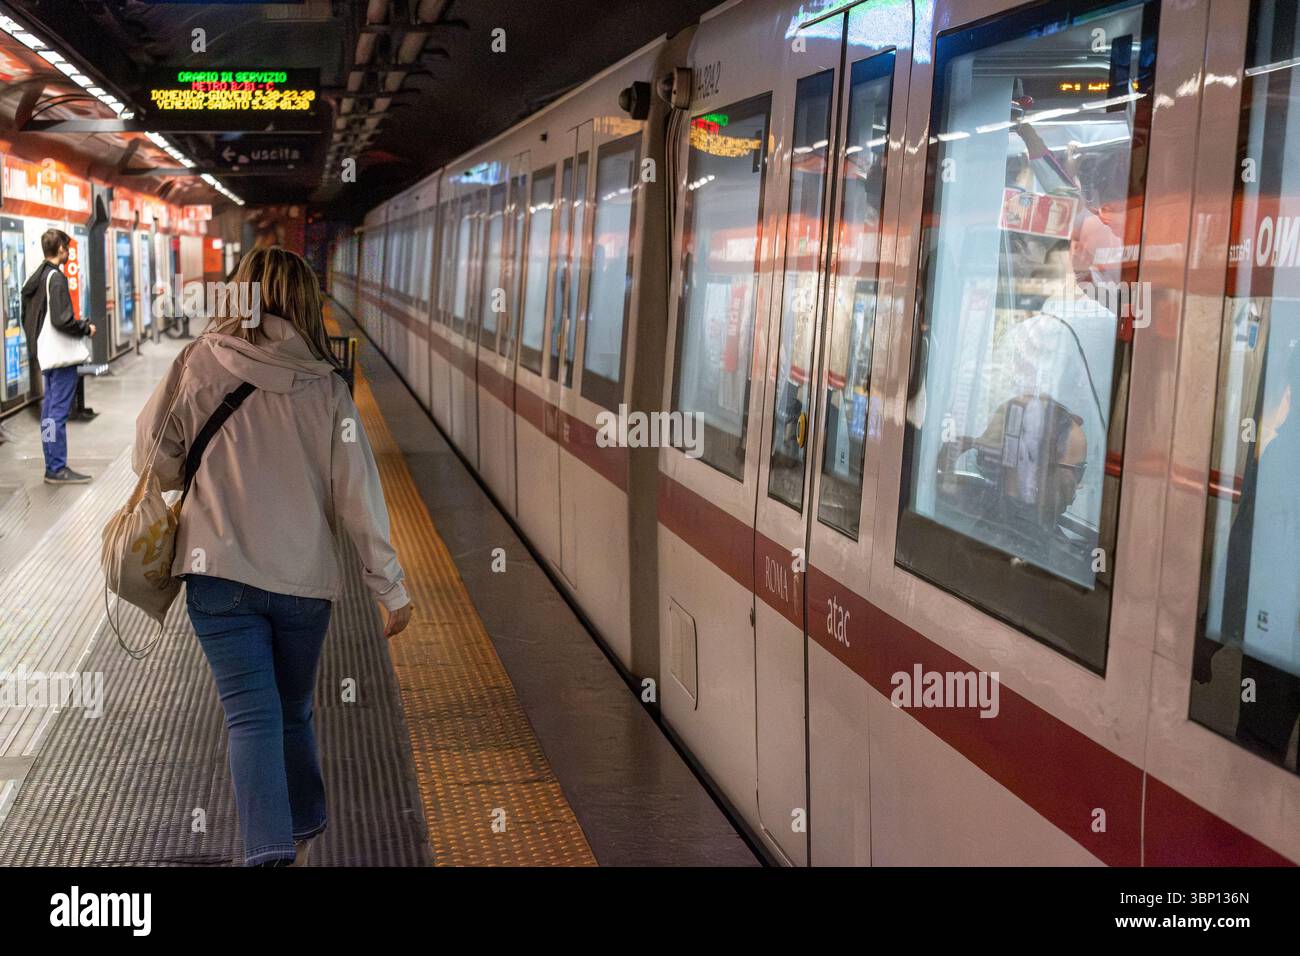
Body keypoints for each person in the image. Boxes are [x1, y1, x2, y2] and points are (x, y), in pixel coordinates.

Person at [133, 246, 414, 866]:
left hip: (217, 577)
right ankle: (303, 822)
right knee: (292, 708)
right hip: (301, 584)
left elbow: (149, 457)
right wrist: (388, 587)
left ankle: (269, 849)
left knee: (249, 716)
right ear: (307, 304)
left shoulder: (197, 362)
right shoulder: (327, 386)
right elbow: (357, 498)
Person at [22, 229, 96, 484]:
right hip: (61, 356)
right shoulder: (55, 278)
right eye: (66, 248)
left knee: (49, 412)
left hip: (46, 354)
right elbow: (62, 319)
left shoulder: (37, 277)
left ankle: (52, 463)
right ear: (61, 249)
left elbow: (30, 318)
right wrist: (86, 327)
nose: (68, 252)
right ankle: (56, 467)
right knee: (57, 413)